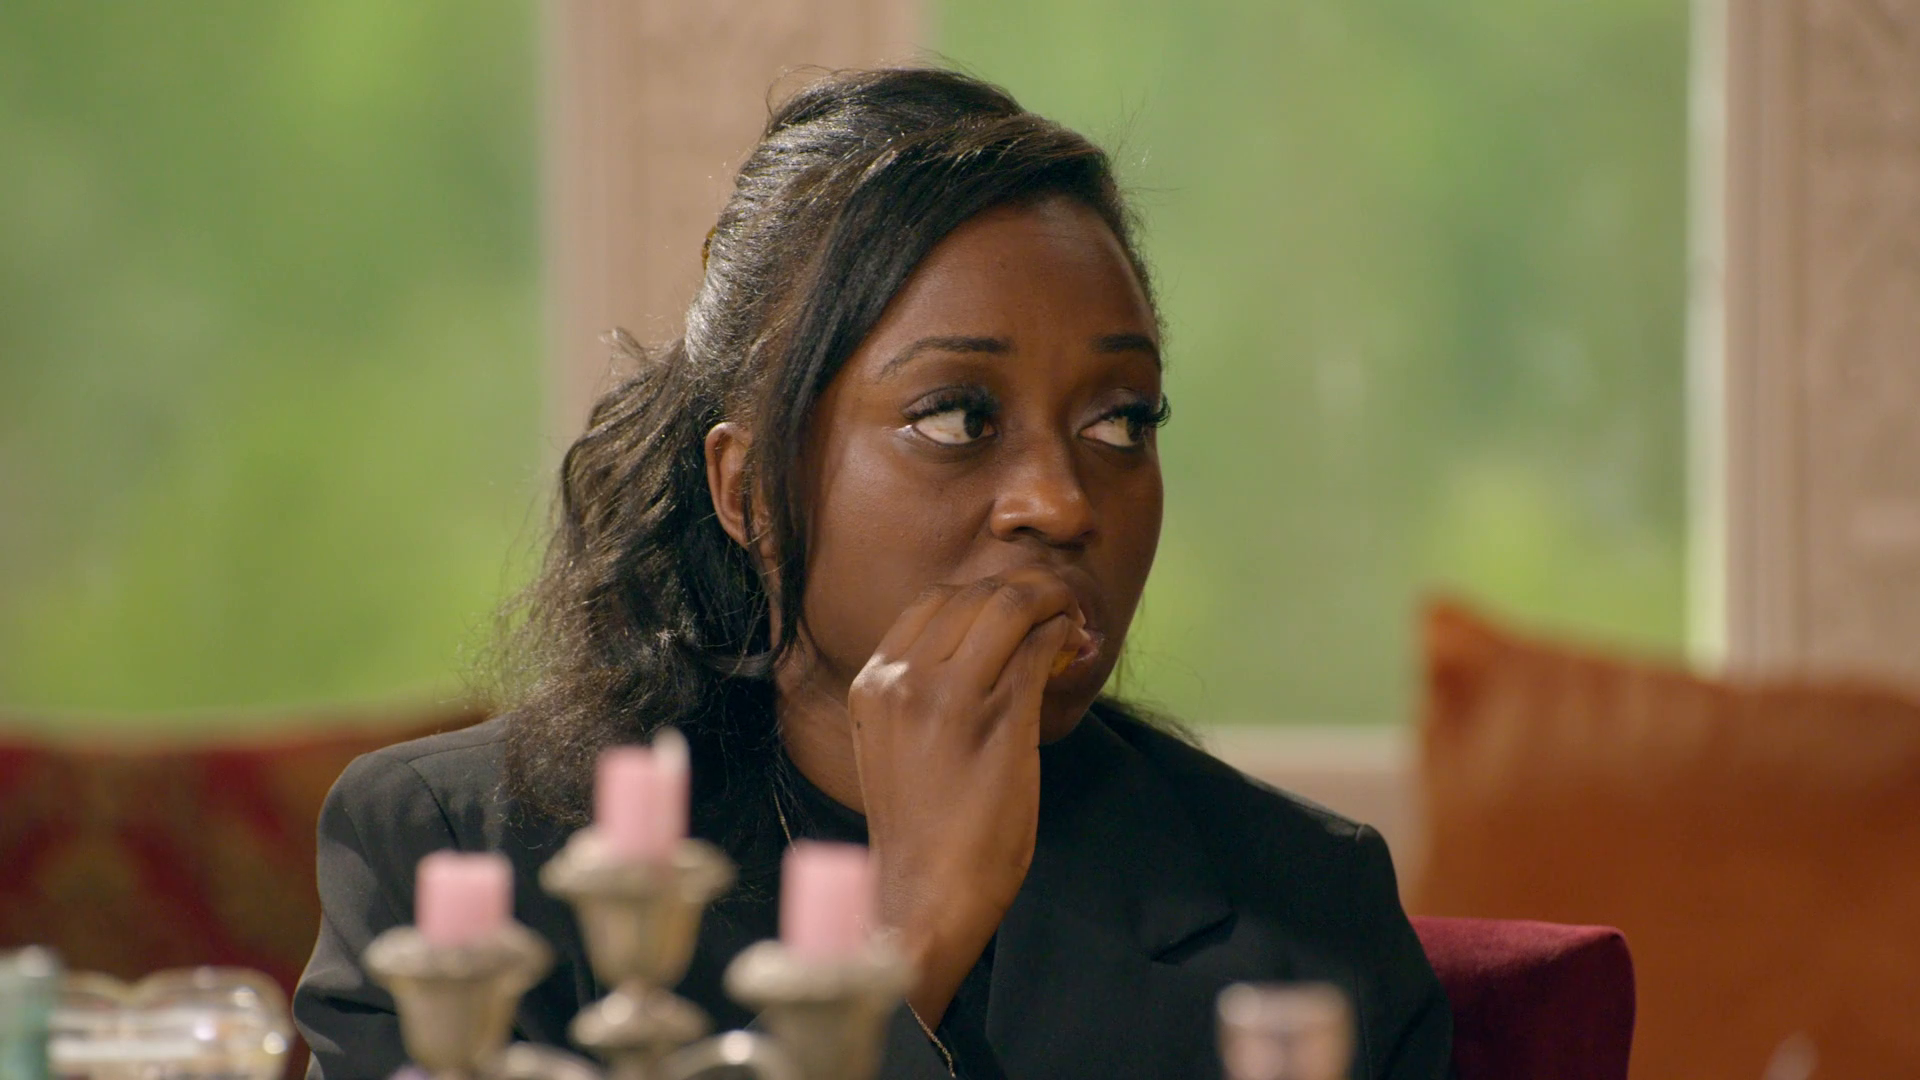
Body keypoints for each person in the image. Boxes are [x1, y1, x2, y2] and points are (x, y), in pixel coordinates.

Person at [293, 67, 1452, 1080]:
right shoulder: (461, 863)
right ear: (748, 491)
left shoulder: (1300, 906)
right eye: (957, 417)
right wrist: (903, 945)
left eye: (1119, 421)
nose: (1061, 502)